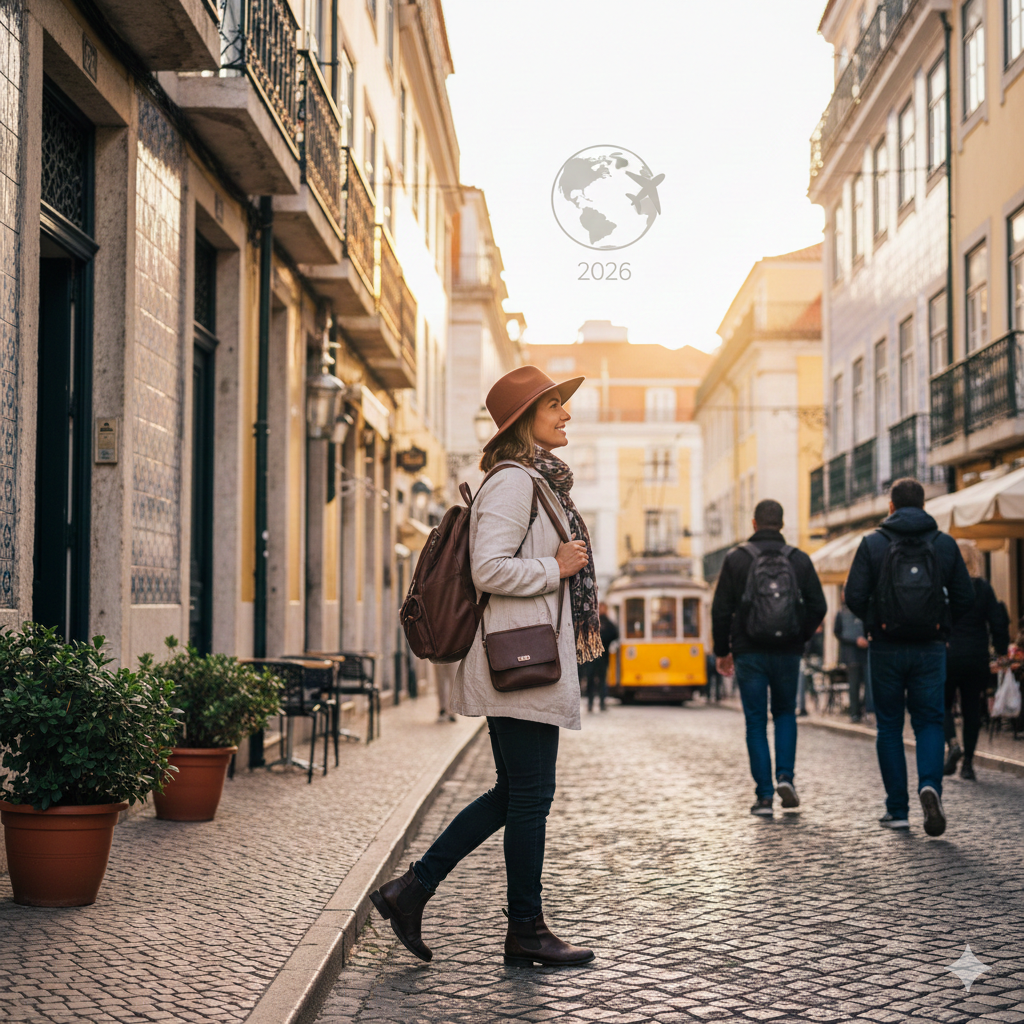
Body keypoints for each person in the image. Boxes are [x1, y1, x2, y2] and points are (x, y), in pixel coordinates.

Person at [369, 365, 602, 968]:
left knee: (515, 793)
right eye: (554, 405)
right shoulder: (513, 482)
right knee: (529, 796)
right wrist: (557, 567)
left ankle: (412, 891)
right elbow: (488, 569)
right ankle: (525, 928)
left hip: (527, 661)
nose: (566, 414)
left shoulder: (536, 481)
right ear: (524, 419)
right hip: (519, 662)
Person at [845, 478, 974, 836]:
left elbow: (853, 595)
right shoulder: (944, 544)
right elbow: (965, 597)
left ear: (891, 507)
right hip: (930, 647)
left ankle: (897, 810)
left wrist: (876, 622)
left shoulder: (873, 543)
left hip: (885, 647)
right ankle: (930, 785)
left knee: (888, 726)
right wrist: (941, 625)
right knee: (930, 721)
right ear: (924, 506)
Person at [711, 499, 828, 816]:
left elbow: (720, 610)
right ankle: (785, 778)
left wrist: (722, 651)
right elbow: (818, 606)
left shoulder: (737, 559)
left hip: (749, 652)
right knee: (786, 714)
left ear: (754, 523)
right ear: (782, 524)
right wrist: (798, 636)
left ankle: (764, 797)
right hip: (787, 652)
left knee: (756, 722)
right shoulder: (798, 559)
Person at [943, 539, 1009, 780]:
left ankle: (953, 744)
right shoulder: (983, 588)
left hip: (949, 655)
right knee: (972, 709)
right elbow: (998, 621)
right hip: (976, 656)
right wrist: (1001, 650)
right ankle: (968, 764)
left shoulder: (946, 588)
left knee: (942, 704)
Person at [834, 589, 870, 723]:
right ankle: (854, 712)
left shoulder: (863, 612)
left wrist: (866, 640)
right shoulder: (841, 613)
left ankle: (864, 709)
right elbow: (837, 633)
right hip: (851, 655)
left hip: (865, 653)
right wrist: (855, 641)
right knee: (854, 685)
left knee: (869, 684)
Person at [584, 602, 619, 712]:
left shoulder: (607, 623)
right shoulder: (592, 621)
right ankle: (591, 703)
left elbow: (614, 634)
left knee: (601, 680)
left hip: (602, 656)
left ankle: (602, 703)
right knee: (591, 679)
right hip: (592, 656)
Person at [798, 624, 824, 716]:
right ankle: (802, 707)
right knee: (803, 684)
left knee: (815, 685)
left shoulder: (818, 637)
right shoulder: (811, 635)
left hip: (814, 661)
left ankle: (815, 707)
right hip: (807, 661)